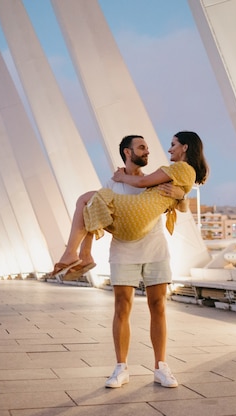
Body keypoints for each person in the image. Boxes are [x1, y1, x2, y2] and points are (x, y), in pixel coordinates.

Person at [48, 131, 208, 281]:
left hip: (137, 219)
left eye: (173, 145)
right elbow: (174, 202)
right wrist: (181, 195)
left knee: (84, 200)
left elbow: (142, 182)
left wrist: (121, 177)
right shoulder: (185, 173)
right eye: (142, 147)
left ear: (185, 147)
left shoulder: (179, 168)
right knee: (90, 206)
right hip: (134, 228)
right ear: (127, 152)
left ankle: (74, 254)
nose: (169, 149)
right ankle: (84, 255)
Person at [103, 135, 188, 389]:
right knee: (122, 306)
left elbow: (181, 207)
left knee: (158, 305)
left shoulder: (154, 180)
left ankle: (161, 367)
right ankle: (121, 368)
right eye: (142, 147)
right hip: (123, 250)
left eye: (147, 147)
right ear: (127, 152)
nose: (148, 151)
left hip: (155, 249)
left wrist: (181, 193)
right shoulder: (112, 184)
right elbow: (101, 216)